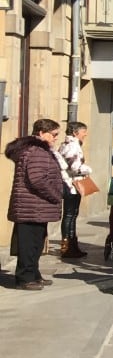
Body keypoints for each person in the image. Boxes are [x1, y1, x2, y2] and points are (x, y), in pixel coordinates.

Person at [5, 119, 63, 290]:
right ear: (41, 133)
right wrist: (56, 195)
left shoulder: (35, 149)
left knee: (35, 244)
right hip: (32, 206)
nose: (55, 138)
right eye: (53, 135)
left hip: (34, 206)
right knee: (29, 244)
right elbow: (38, 179)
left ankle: (33, 274)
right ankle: (25, 278)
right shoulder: (37, 151)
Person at [56, 121, 93, 258]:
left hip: (70, 183)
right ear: (75, 133)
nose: (85, 134)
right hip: (71, 184)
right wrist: (88, 169)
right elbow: (74, 167)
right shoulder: (72, 146)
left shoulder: (67, 145)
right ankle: (68, 247)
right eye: (83, 131)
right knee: (70, 215)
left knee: (71, 215)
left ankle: (71, 245)